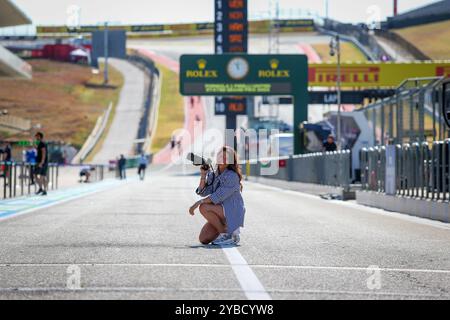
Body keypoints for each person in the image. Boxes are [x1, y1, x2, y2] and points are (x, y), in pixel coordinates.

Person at [189, 146, 246, 246]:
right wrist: (203, 175)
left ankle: (230, 235)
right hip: (221, 211)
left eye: (226, 157)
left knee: (204, 207)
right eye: (220, 156)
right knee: (204, 238)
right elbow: (203, 192)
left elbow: (217, 196)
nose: (222, 159)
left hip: (232, 210)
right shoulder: (215, 174)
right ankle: (225, 230)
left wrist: (198, 203)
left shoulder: (232, 176)